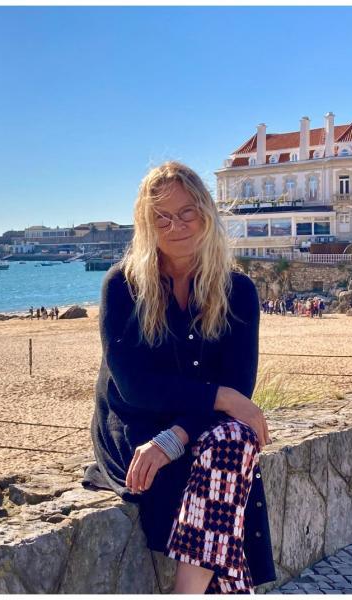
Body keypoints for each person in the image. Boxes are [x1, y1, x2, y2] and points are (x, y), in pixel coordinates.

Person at [84, 162, 275, 594]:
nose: (176, 225)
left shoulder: (237, 290)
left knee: (231, 443)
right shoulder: (124, 284)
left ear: (206, 213)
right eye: (161, 217)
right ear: (146, 224)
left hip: (199, 431)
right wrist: (222, 398)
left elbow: (239, 387)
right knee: (230, 468)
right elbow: (136, 388)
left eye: (186, 212)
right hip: (135, 431)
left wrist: (181, 434)